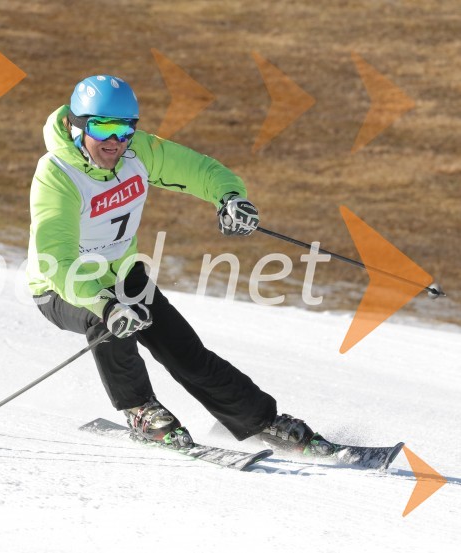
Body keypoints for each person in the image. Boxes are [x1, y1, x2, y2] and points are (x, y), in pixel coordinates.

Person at [26, 74, 323, 453]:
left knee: (185, 353)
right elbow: (57, 261)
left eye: (125, 128)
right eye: (103, 128)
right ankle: (140, 410)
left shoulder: (139, 152)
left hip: (123, 276)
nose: (115, 141)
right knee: (109, 323)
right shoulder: (56, 175)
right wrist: (105, 304)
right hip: (63, 289)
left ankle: (262, 421)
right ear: (77, 124)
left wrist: (230, 197)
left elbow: (200, 170)